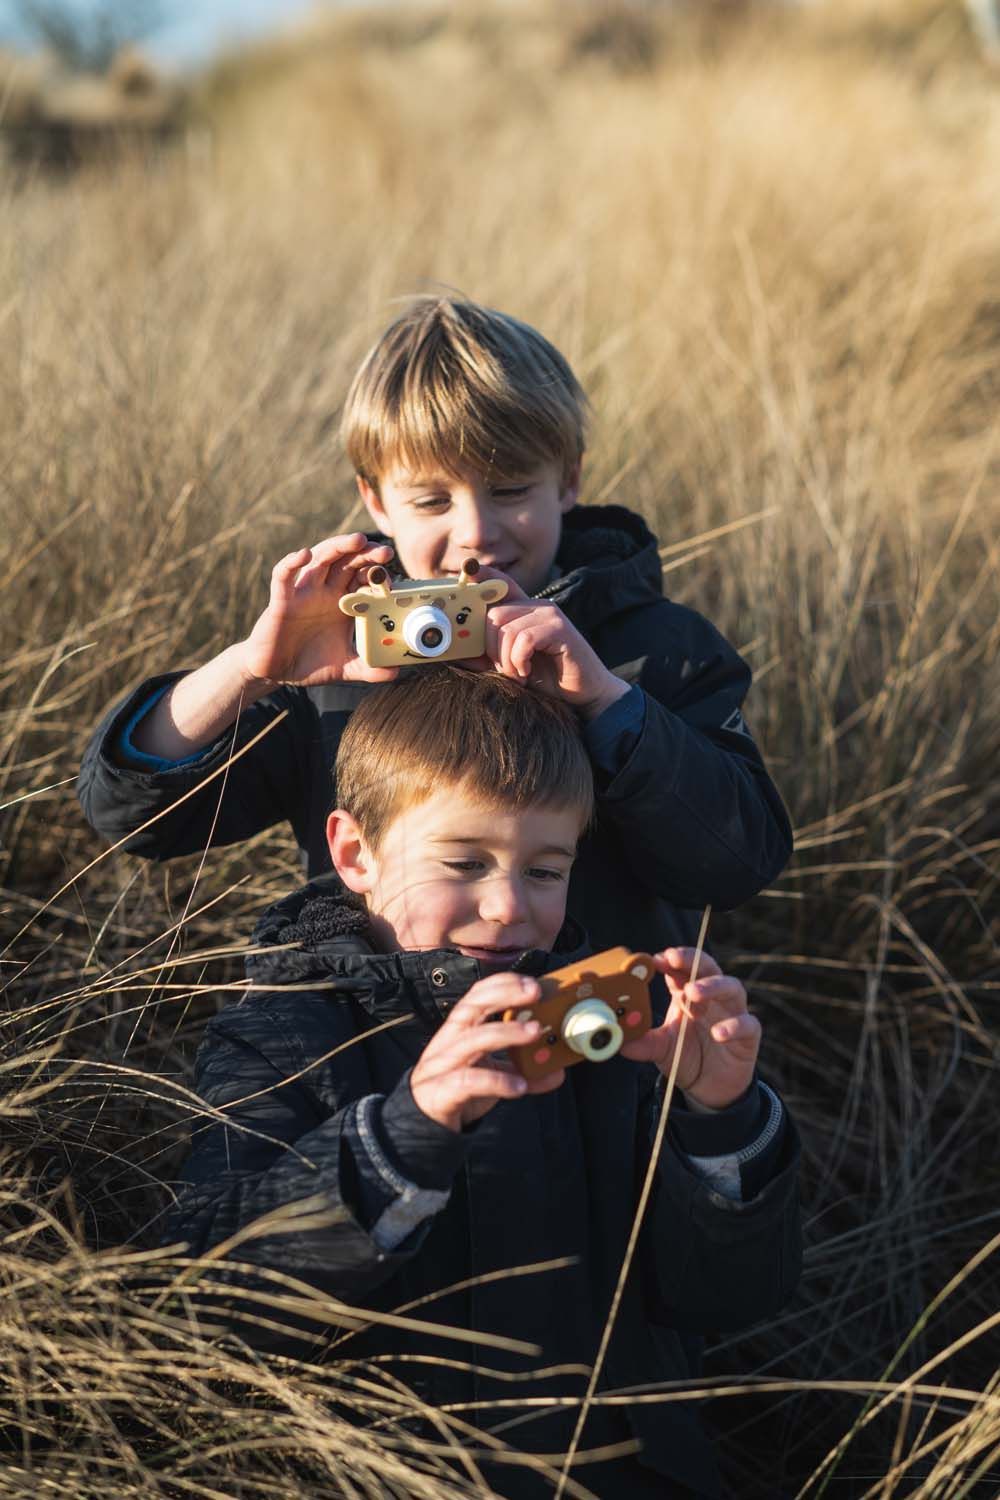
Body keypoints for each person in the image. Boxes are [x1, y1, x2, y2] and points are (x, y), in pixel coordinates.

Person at [166, 669, 800, 1500]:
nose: (506, 908)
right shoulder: (286, 1025)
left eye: (545, 870)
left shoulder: (619, 1034)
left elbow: (729, 1296)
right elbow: (208, 1298)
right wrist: (409, 1129)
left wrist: (720, 1116)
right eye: (463, 861)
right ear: (354, 853)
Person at [76, 295, 792, 956]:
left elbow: (738, 862)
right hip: (374, 1050)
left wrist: (606, 701)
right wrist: (251, 669)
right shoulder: (332, 656)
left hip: (592, 1050)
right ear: (376, 502)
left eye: (511, 490)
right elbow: (131, 818)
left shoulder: (655, 649)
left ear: (569, 480)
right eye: (430, 500)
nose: (476, 531)